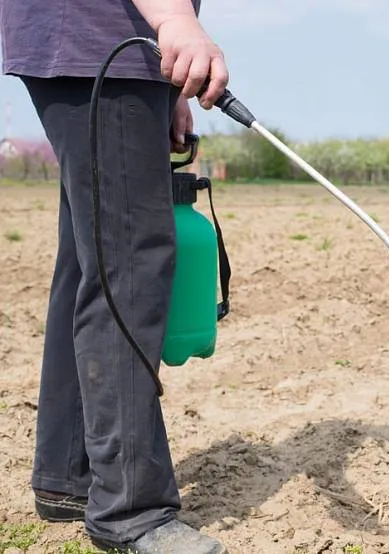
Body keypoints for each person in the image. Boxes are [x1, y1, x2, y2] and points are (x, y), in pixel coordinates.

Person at [0, 0, 229, 552]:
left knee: (94, 257)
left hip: (112, 47)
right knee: (129, 262)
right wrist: (175, 18)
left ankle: (71, 475)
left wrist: (168, 88)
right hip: (102, 39)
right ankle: (132, 511)